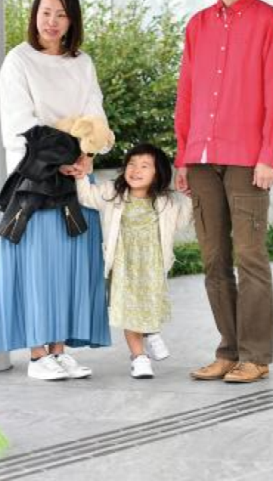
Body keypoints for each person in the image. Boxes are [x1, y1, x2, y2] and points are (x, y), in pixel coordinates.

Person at [174, 0, 273, 383]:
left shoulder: (270, 21)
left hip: (248, 159)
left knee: (250, 257)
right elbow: (186, 94)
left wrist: (270, 155)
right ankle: (229, 350)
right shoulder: (198, 25)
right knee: (213, 260)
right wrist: (183, 156)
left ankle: (256, 355)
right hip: (202, 157)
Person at [0, 0, 111, 381]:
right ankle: (38, 354)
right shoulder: (18, 61)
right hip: (36, 181)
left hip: (75, 180)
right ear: (35, 15)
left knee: (68, 265)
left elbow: (95, 113)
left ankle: (59, 351)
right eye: (46, 12)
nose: (52, 21)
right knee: (38, 267)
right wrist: (64, 155)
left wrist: (87, 155)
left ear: (72, 19)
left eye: (61, 14)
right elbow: (20, 124)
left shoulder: (83, 63)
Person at [75, 144, 192, 379]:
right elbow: (87, 196)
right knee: (130, 311)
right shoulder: (113, 192)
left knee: (149, 305)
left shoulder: (166, 202)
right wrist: (81, 177)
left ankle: (151, 331)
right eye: (131, 164)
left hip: (152, 267)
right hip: (123, 266)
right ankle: (139, 358)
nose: (136, 170)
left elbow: (181, 223)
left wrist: (189, 198)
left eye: (144, 166)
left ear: (157, 173)